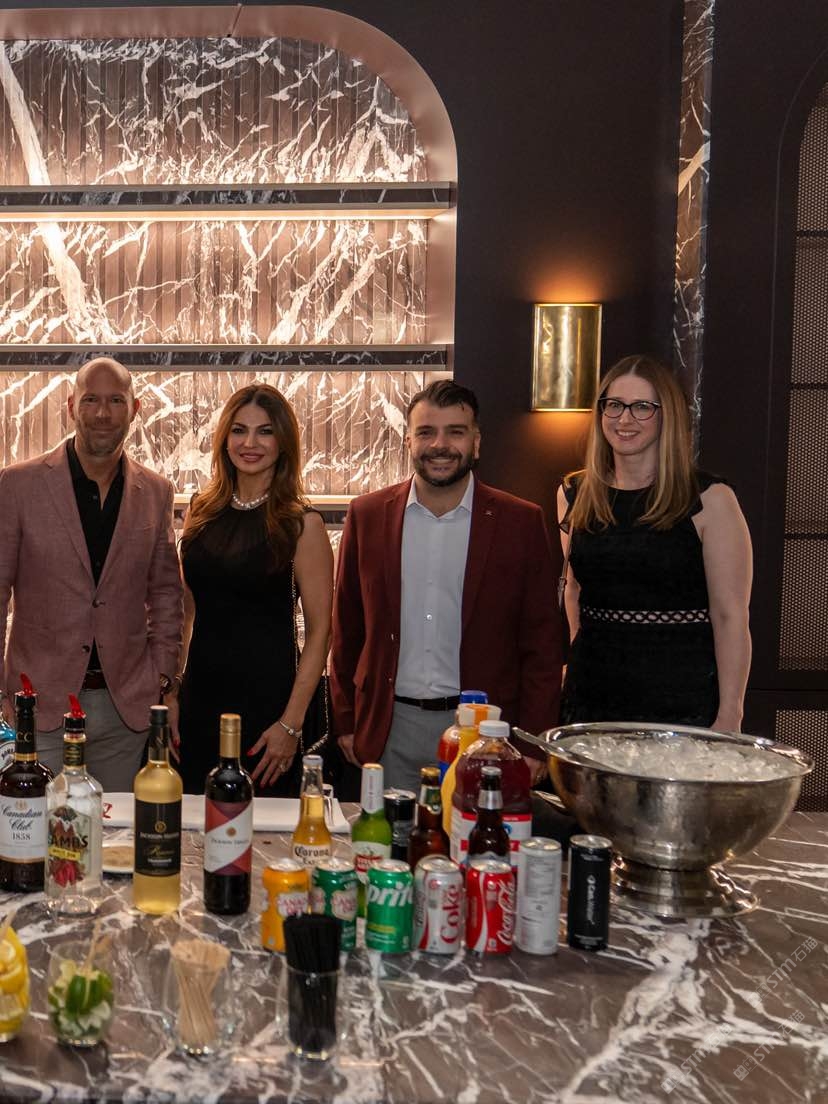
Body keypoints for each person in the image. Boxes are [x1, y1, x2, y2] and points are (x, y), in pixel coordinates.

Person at [330, 379, 562, 793]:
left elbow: (542, 644)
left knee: (479, 837)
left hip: (486, 735)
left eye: (455, 432)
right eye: (426, 432)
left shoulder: (520, 522)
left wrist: (533, 742)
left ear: (476, 442)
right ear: (408, 441)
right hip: (388, 730)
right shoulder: (367, 515)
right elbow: (346, 630)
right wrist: (346, 721)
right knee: (387, 835)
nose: (440, 445)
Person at [0, 357, 183, 790]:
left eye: (116, 401)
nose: (103, 413)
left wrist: (162, 679)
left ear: (135, 409)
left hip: (125, 712)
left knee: (117, 827)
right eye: (91, 400)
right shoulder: (17, 485)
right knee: (38, 824)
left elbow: (165, 593)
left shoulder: (156, 491)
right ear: (71, 406)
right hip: (38, 706)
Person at [557, 354, 753, 731]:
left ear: (668, 416)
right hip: (591, 694)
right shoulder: (574, 493)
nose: (624, 419)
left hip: (681, 697)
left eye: (642, 407)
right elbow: (574, 590)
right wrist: (576, 657)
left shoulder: (711, 499)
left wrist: (731, 712)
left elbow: (731, 615)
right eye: (614, 405)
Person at [175, 384, 333, 795]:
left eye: (265, 432)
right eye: (239, 430)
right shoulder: (199, 511)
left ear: (284, 443)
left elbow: (320, 633)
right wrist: (172, 692)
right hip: (199, 701)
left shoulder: (303, 524)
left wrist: (290, 724)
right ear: (224, 438)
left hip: (268, 710)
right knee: (193, 821)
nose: (250, 443)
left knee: (264, 826)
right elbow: (186, 614)